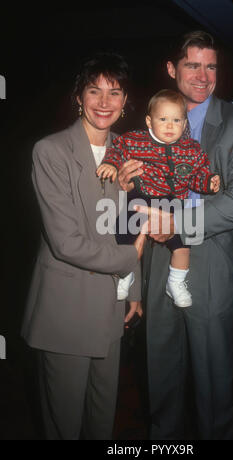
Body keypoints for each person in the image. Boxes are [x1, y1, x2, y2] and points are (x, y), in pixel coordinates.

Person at [118, 31, 233, 440]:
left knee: (216, 394)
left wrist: (177, 220)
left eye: (211, 66)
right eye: (192, 65)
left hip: (214, 271)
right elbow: (130, 203)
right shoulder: (148, 126)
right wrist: (122, 184)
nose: (203, 76)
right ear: (172, 69)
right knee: (161, 385)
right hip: (158, 263)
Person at [21, 52, 146, 440]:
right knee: (65, 425)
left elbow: (130, 228)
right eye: (95, 91)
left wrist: (135, 291)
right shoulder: (51, 151)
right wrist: (130, 259)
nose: (104, 102)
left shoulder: (129, 152)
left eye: (115, 92)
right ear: (79, 97)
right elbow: (66, 243)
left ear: (126, 102)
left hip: (110, 307)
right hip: (66, 310)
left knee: (101, 420)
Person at [97, 89, 220, 308]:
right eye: (163, 119)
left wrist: (208, 182)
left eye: (176, 120)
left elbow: (197, 174)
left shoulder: (191, 149)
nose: (170, 126)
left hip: (174, 202)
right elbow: (117, 148)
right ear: (149, 121)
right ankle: (126, 275)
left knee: (183, 244)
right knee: (124, 233)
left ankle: (176, 282)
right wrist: (111, 163)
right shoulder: (136, 140)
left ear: (184, 124)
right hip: (142, 196)